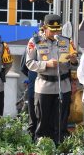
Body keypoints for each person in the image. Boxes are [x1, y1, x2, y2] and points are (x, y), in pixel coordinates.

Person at [26, 14, 78, 144]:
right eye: (52, 29)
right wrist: (46, 64)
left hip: (63, 86)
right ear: (44, 28)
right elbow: (29, 63)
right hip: (44, 86)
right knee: (43, 121)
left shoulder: (67, 41)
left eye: (58, 29)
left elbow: (77, 61)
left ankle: (60, 148)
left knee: (61, 121)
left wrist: (73, 60)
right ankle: (42, 148)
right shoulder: (35, 41)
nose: (56, 32)